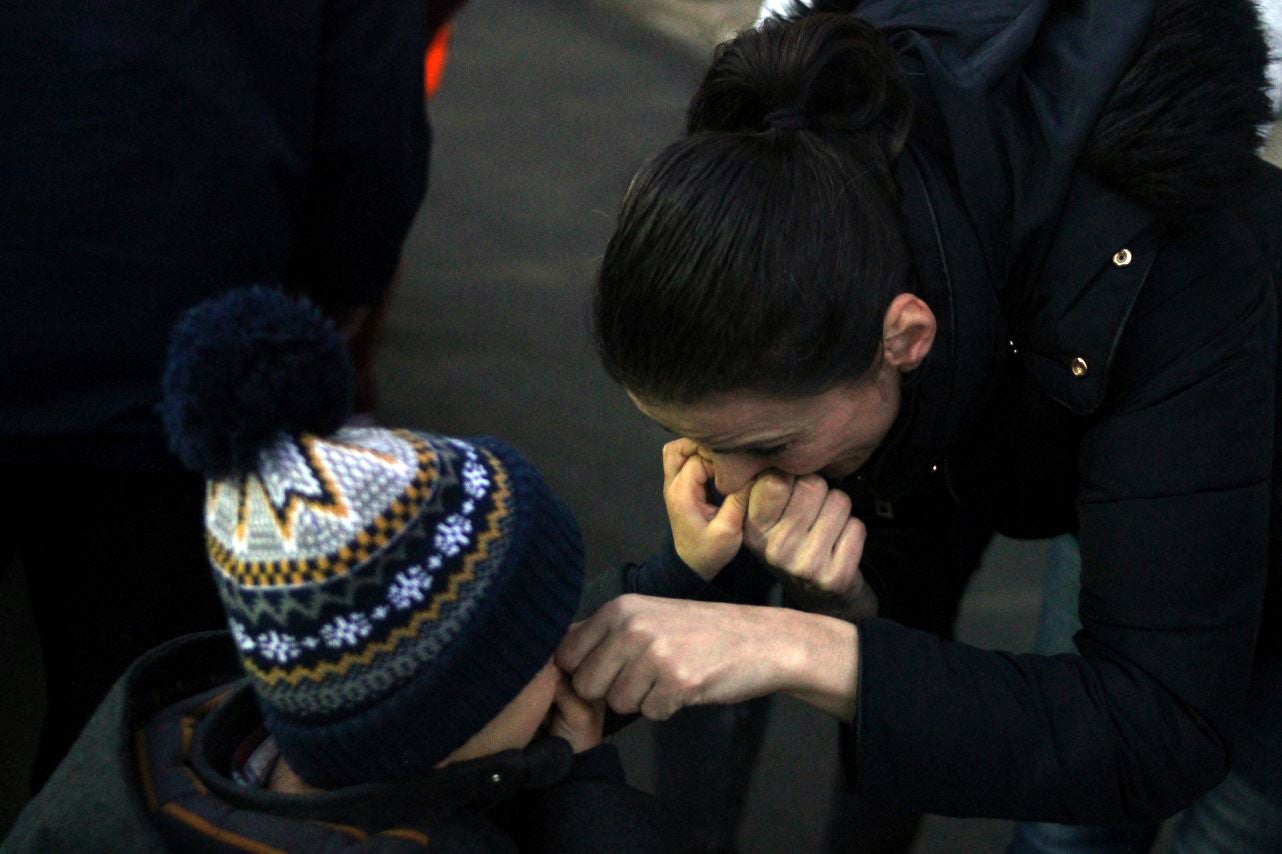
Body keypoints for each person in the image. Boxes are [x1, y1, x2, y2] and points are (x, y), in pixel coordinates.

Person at [562, 1, 1282, 852]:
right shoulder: (847, 231)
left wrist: (799, 644)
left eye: (764, 446)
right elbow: (926, 551)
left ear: (905, 337)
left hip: (1243, 462)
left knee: (1231, 816)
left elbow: (1153, 721)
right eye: (696, 439)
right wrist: (846, 604)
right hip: (1098, 427)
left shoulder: (1171, 283)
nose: (722, 485)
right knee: (1066, 831)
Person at [1, 287, 675, 853]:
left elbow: (474, 649)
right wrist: (586, 788)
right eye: (547, 642)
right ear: (445, 727)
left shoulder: (186, 747)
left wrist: (683, 574)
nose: (568, 654)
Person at [0, 0, 430, 793]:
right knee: (120, 749)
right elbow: (372, 118)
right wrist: (336, 288)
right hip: (175, 337)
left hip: (162, 348)